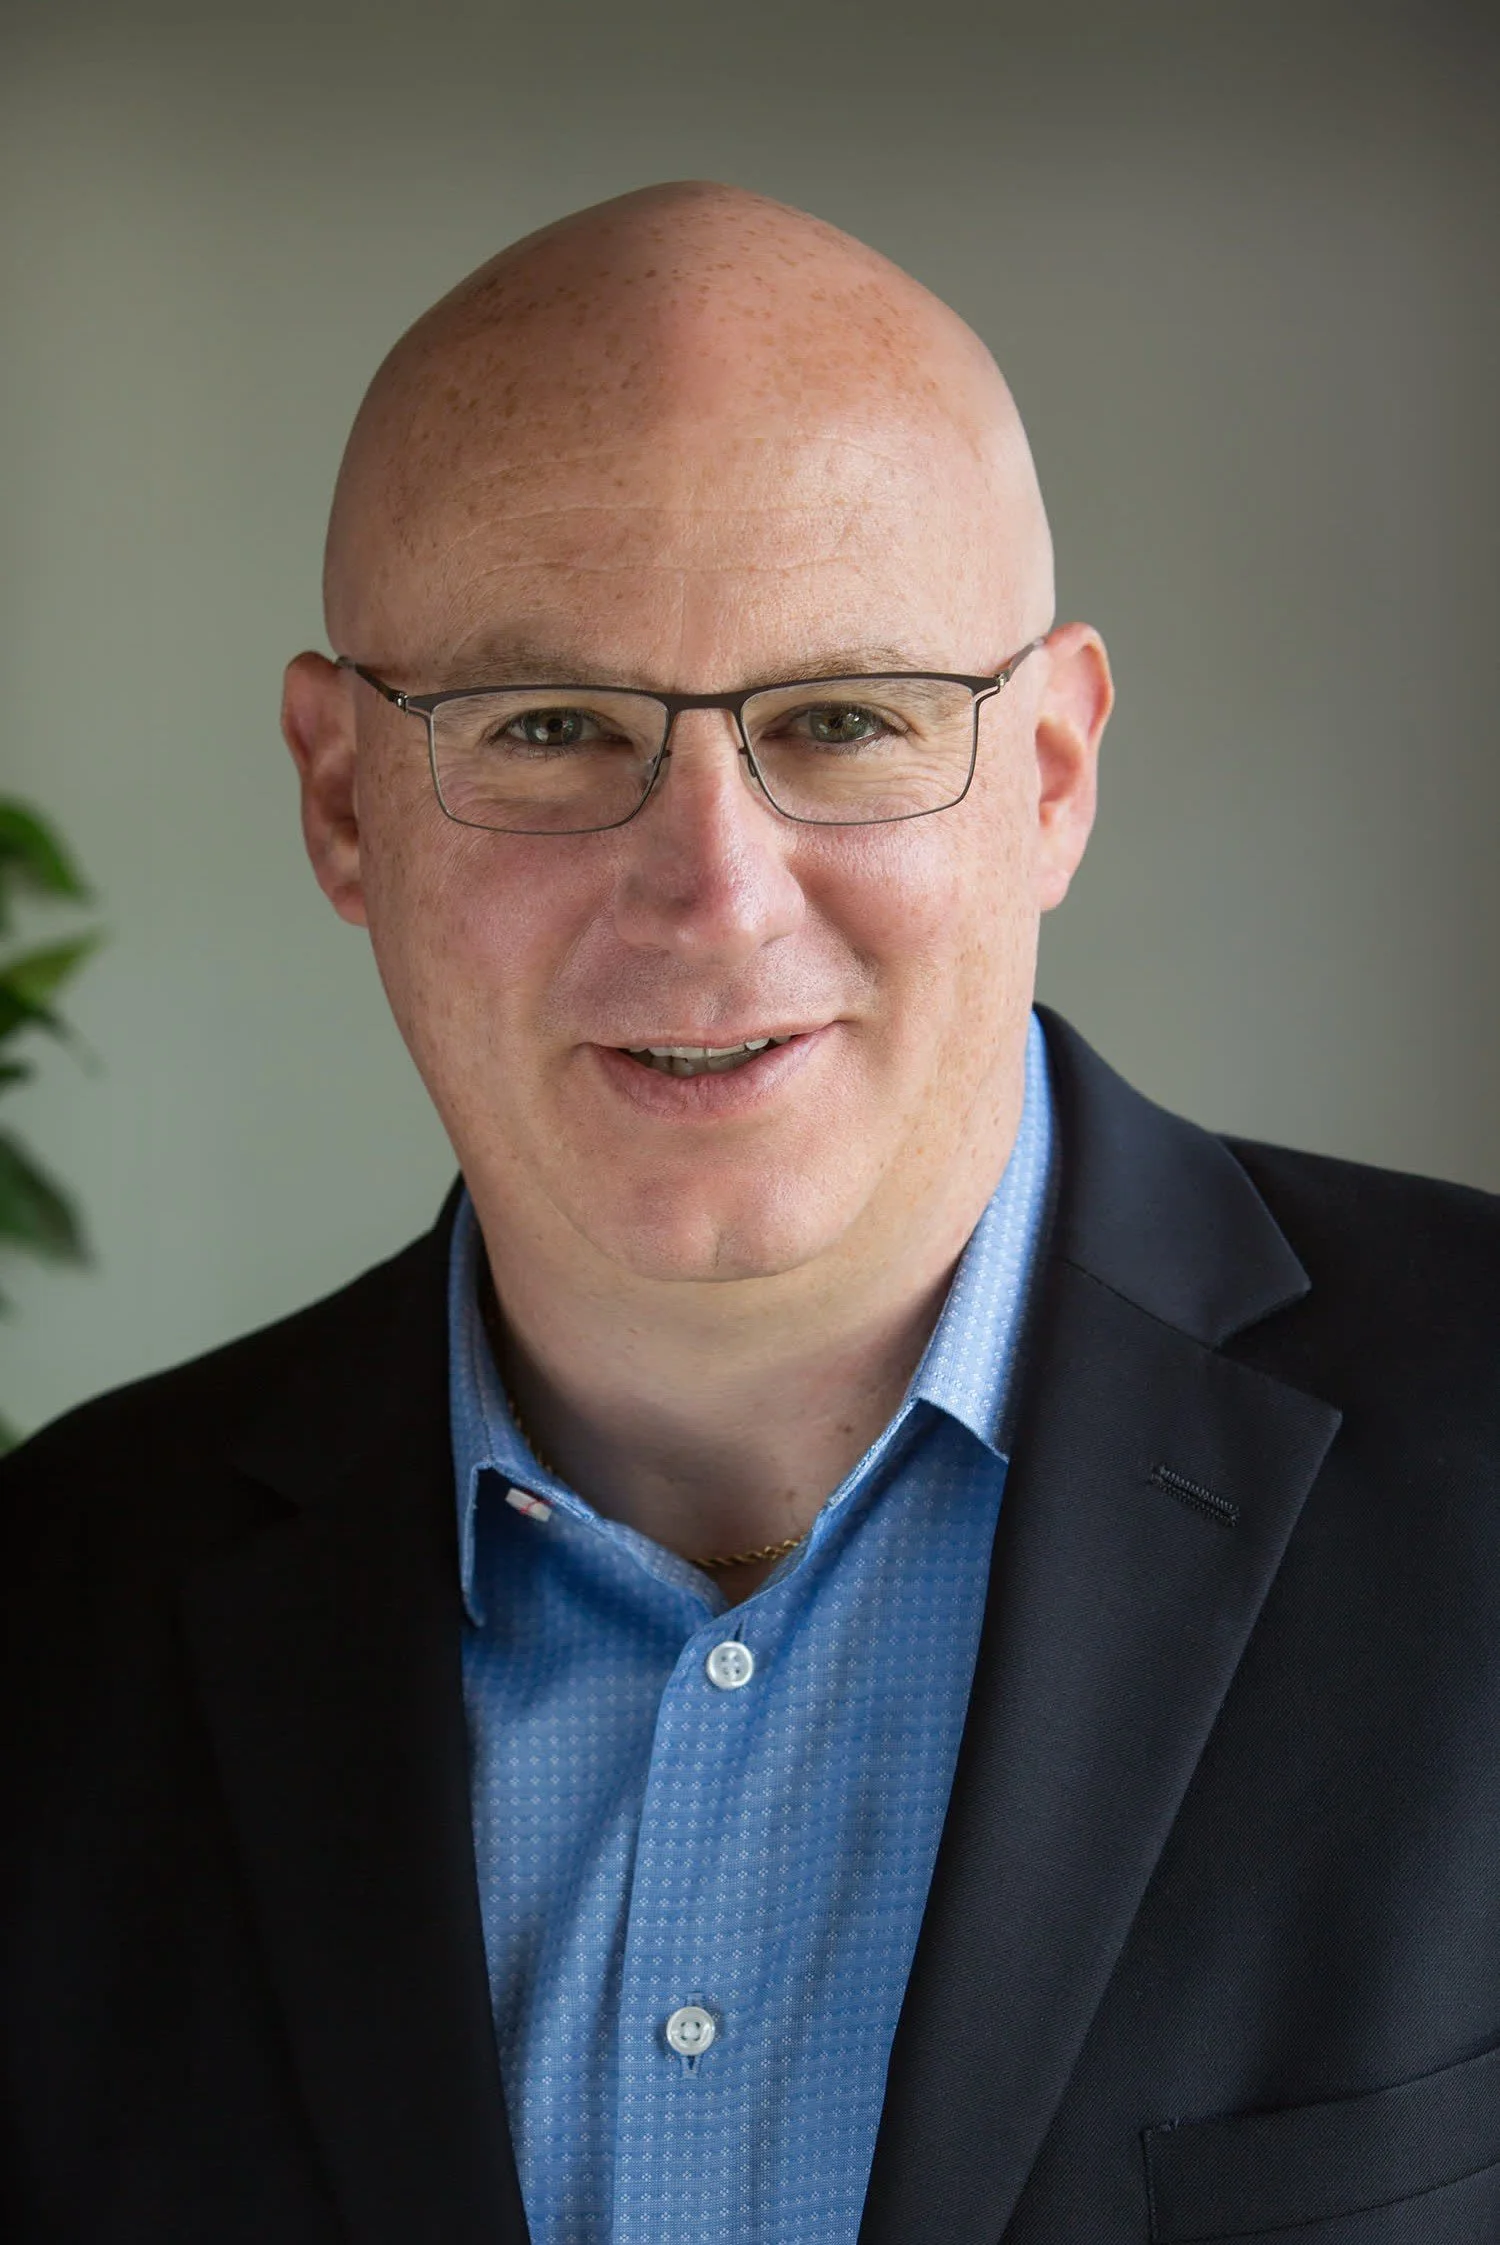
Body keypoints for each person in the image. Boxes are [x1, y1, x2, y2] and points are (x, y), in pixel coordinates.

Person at [3, 181, 1498, 2245]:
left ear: (1050, 773)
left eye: (841, 722)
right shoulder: (48, 1622)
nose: (712, 891)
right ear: (343, 800)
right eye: (547, 729)